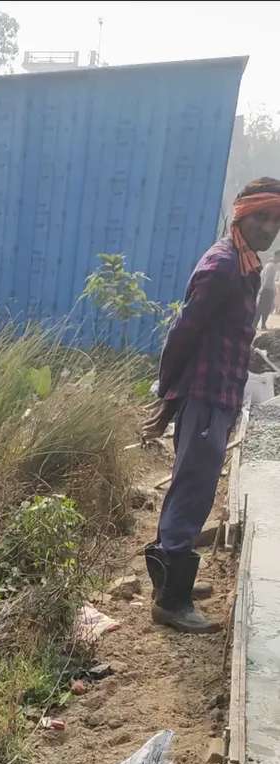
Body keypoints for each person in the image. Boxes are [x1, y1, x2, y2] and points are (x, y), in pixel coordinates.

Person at [142, 178, 280, 633]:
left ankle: (171, 576)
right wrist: (167, 394)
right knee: (194, 489)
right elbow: (184, 332)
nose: (269, 227)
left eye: (276, 220)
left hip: (218, 393)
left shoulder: (244, 263)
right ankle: (171, 600)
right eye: (261, 217)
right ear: (241, 215)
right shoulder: (223, 267)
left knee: (191, 485)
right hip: (204, 394)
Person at [255, 249, 280, 330]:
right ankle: (259, 325)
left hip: (266, 289)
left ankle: (259, 324)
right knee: (264, 309)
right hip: (267, 290)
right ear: (276, 256)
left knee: (262, 308)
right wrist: (264, 290)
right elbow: (267, 280)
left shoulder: (270, 265)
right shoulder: (271, 266)